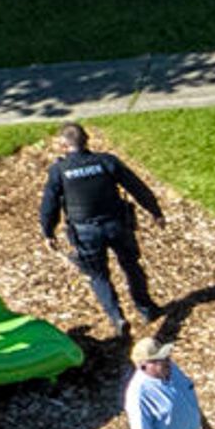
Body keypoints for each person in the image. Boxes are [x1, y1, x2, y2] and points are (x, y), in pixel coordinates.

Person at [37, 124, 166, 337]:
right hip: (117, 225)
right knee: (131, 266)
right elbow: (136, 186)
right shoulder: (106, 161)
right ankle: (146, 309)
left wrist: (48, 231)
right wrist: (155, 211)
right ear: (86, 140)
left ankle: (117, 318)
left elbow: (49, 204)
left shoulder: (59, 171)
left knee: (98, 276)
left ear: (63, 145)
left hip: (85, 232)